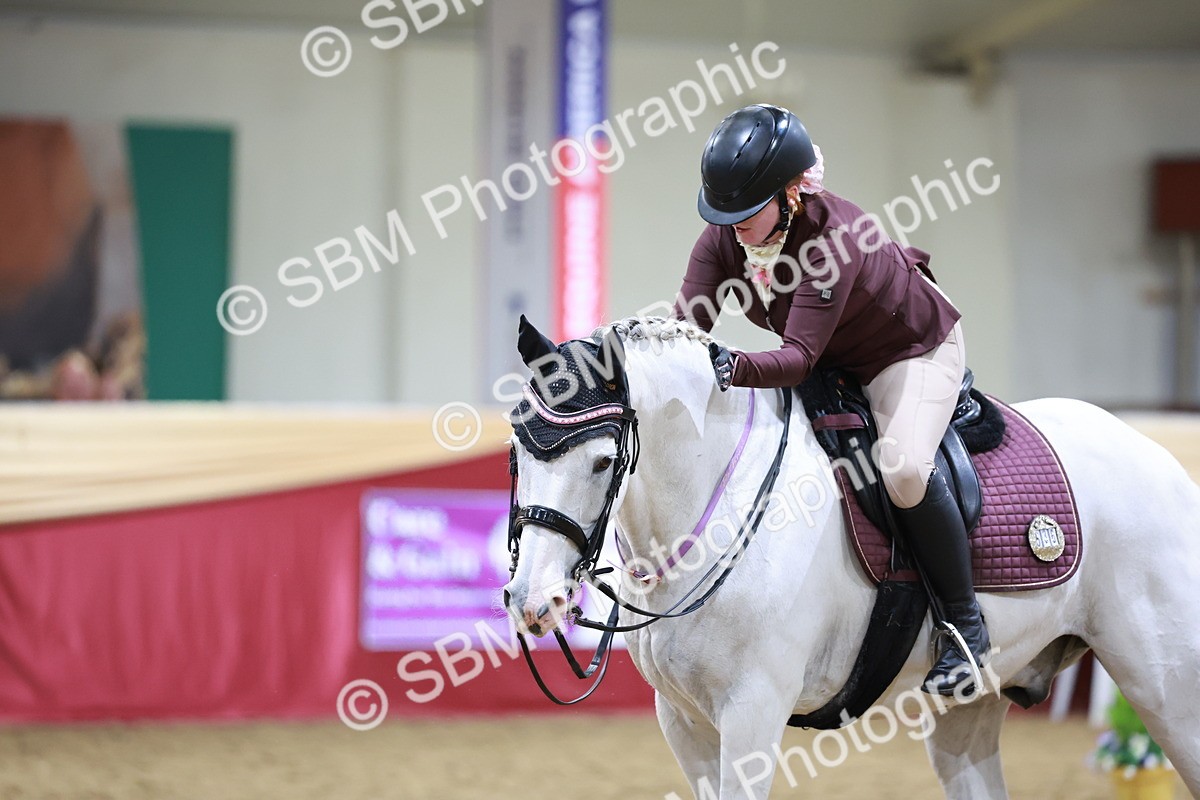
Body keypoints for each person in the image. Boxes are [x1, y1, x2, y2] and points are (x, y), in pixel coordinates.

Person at [671, 103, 988, 696]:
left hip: (908, 349)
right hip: (837, 357)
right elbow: (687, 329)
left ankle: (965, 627)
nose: (731, 225)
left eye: (746, 211)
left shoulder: (831, 240)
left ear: (791, 194)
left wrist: (730, 365)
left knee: (903, 469)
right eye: (723, 213)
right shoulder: (723, 239)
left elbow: (796, 359)